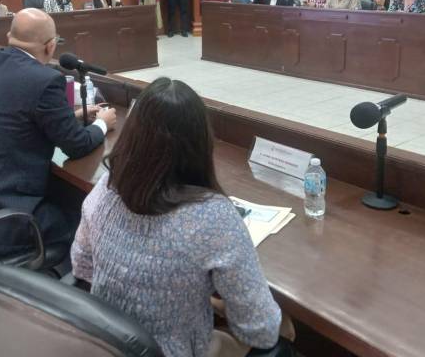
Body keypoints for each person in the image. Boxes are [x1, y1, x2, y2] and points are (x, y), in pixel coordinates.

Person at [71, 77, 283, 357]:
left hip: (105, 345)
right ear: (202, 142)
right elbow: (261, 331)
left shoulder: (106, 187)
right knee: (282, 335)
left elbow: (82, 267)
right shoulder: (214, 216)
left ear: (132, 134)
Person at [0, 9, 117, 255]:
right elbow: (77, 145)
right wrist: (103, 123)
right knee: (86, 214)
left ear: (10, 37)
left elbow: (18, 113)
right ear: (50, 46)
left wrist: (68, 117)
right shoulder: (45, 80)